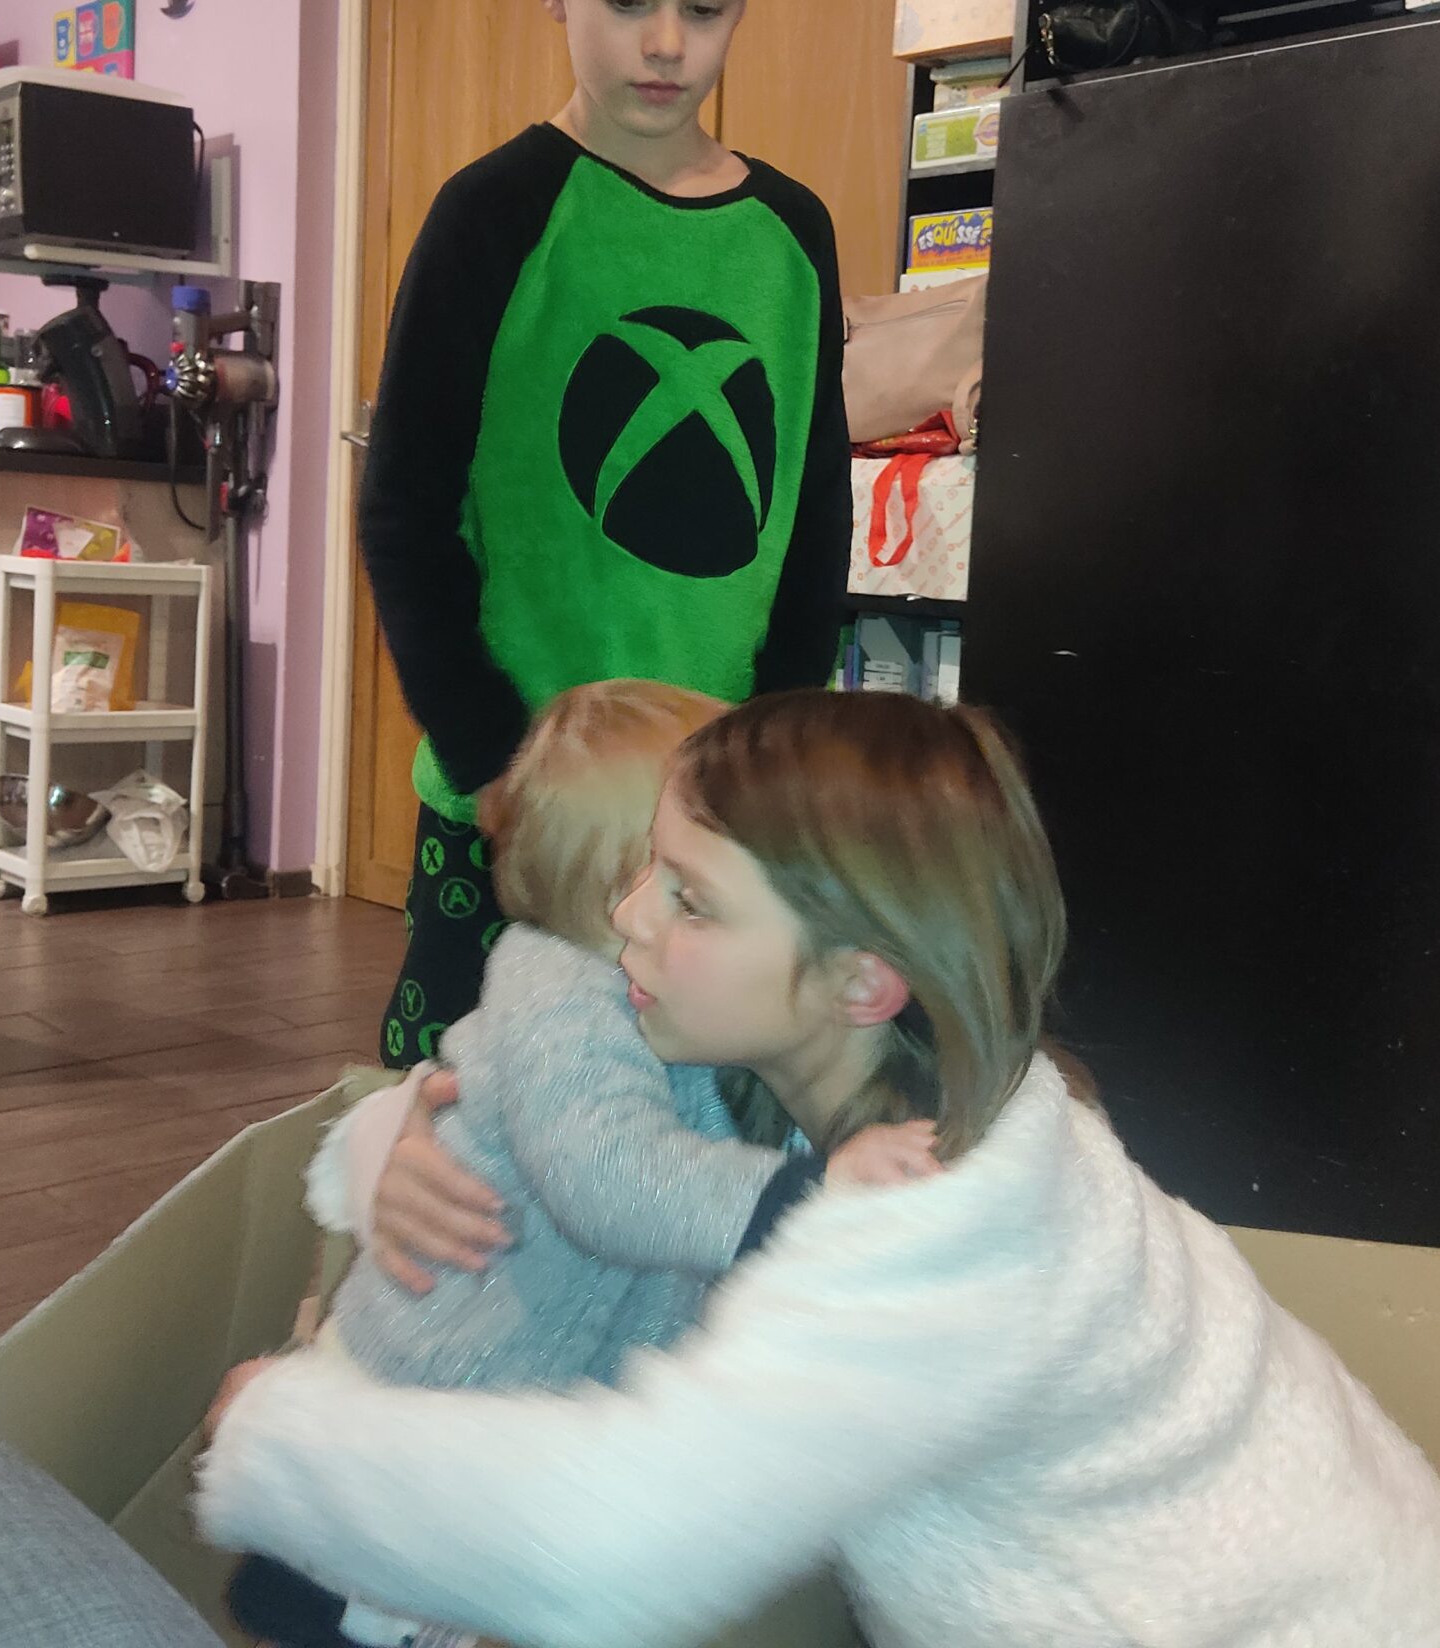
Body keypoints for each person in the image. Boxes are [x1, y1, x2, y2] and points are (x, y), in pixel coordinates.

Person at [196, 693, 1440, 1648]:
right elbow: (577, 1131)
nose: (625, 918)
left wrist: (272, 1430)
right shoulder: (875, 1085)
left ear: (857, 981)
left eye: (689, 898)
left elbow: (617, 1547)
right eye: (649, 871)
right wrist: (395, 1145)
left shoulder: (928, 1218)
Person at [242, 680, 934, 1648]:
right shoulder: (560, 989)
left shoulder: (683, 1010)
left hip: (499, 1444)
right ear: (635, 887)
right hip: (414, 1428)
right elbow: (614, 1177)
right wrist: (808, 1197)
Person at [358, 0, 851, 1067]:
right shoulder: (491, 215)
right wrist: (490, 767)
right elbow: (404, 515)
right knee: (458, 1117)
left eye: (706, 8)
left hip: (713, 822)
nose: (667, 46)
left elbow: (811, 530)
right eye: (626, 1)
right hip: (514, 806)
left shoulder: (792, 236)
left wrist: (774, 765)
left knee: (687, 1126)